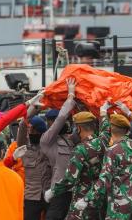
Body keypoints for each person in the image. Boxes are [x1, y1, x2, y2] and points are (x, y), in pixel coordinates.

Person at [46, 108, 111, 220]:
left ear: (79, 128)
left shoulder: (80, 150)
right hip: (99, 196)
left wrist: (53, 191)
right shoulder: (103, 141)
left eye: (76, 128)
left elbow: (70, 179)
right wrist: (103, 113)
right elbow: (106, 129)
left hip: (82, 199)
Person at [76, 114, 132, 219]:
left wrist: (86, 199)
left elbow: (104, 180)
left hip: (119, 205)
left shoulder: (112, 151)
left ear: (111, 129)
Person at [40, 78, 77, 220]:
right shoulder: (47, 140)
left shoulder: (69, 139)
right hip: (59, 190)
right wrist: (71, 96)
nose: (65, 122)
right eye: (52, 121)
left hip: (74, 189)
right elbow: (61, 119)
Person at [17, 115, 51, 220]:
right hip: (31, 195)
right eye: (29, 130)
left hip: (49, 193)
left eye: (33, 130)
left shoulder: (48, 146)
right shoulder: (24, 148)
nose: (30, 133)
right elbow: (22, 126)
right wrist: (31, 111)